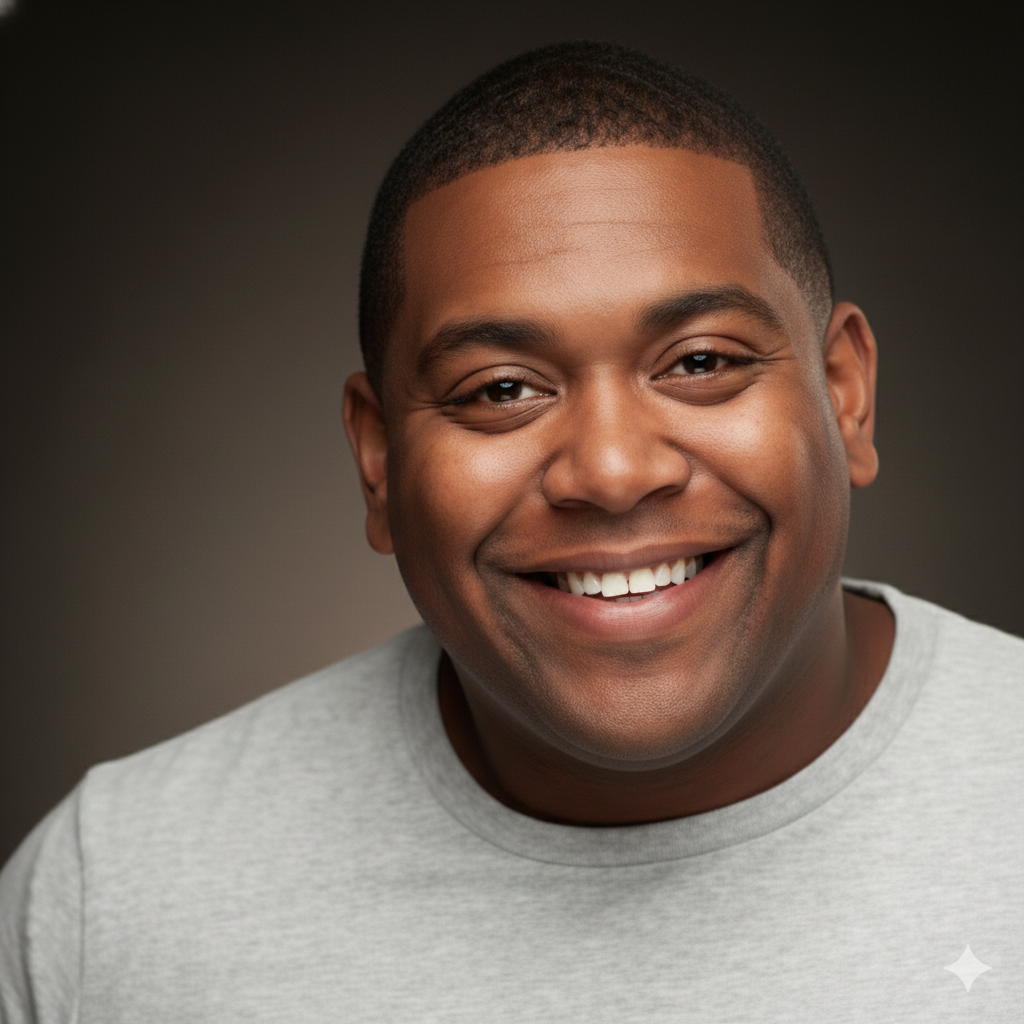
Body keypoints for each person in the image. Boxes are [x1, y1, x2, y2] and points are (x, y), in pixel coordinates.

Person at [1, 40, 1020, 1023]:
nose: (613, 472)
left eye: (700, 361)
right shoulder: (117, 894)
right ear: (378, 459)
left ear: (845, 396)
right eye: (499, 388)